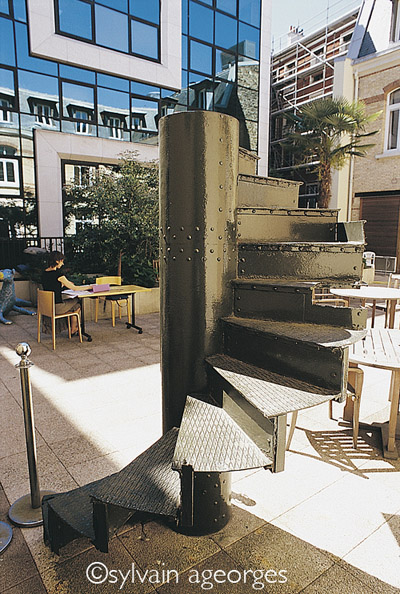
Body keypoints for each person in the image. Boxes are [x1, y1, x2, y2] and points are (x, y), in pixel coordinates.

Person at [41, 250, 92, 335]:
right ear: (57, 261)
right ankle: (73, 328)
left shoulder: (44, 273)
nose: (63, 264)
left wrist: (61, 285)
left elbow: (51, 286)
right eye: (62, 261)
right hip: (57, 307)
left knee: (74, 305)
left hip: (47, 307)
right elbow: (75, 288)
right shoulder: (58, 275)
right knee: (78, 303)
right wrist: (90, 287)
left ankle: (73, 328)